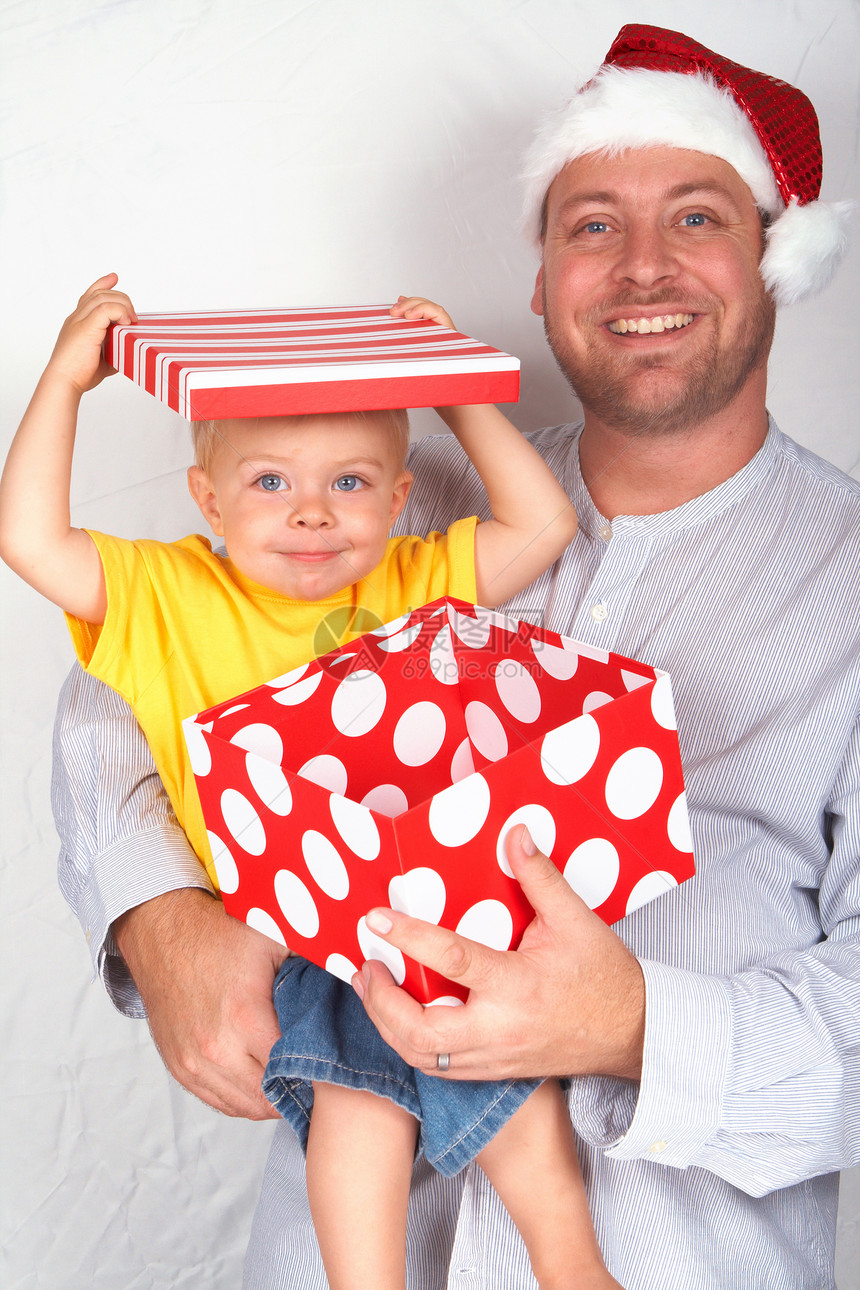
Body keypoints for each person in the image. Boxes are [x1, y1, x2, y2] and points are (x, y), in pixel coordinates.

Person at [48, 21, 858, 1290]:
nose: (641, 265)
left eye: (696, 217)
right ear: (538, 276)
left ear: (776, 260)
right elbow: (127, 680)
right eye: (591, 222)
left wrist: (632, 1028)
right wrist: (161, 913)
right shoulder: (391, 504)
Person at [0, 283, 629, 1290]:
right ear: (206, 501)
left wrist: (458, 390)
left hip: (437, 906)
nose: (308, 513)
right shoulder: (170, 596)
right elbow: (29, 541)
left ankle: (572, 1269)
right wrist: (67, 382)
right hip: (298, 924)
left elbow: (543, 520)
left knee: (517, 1088)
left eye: (346, 483)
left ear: (393, 498)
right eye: (266, 483)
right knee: (354, 1109)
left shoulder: (410, 579)